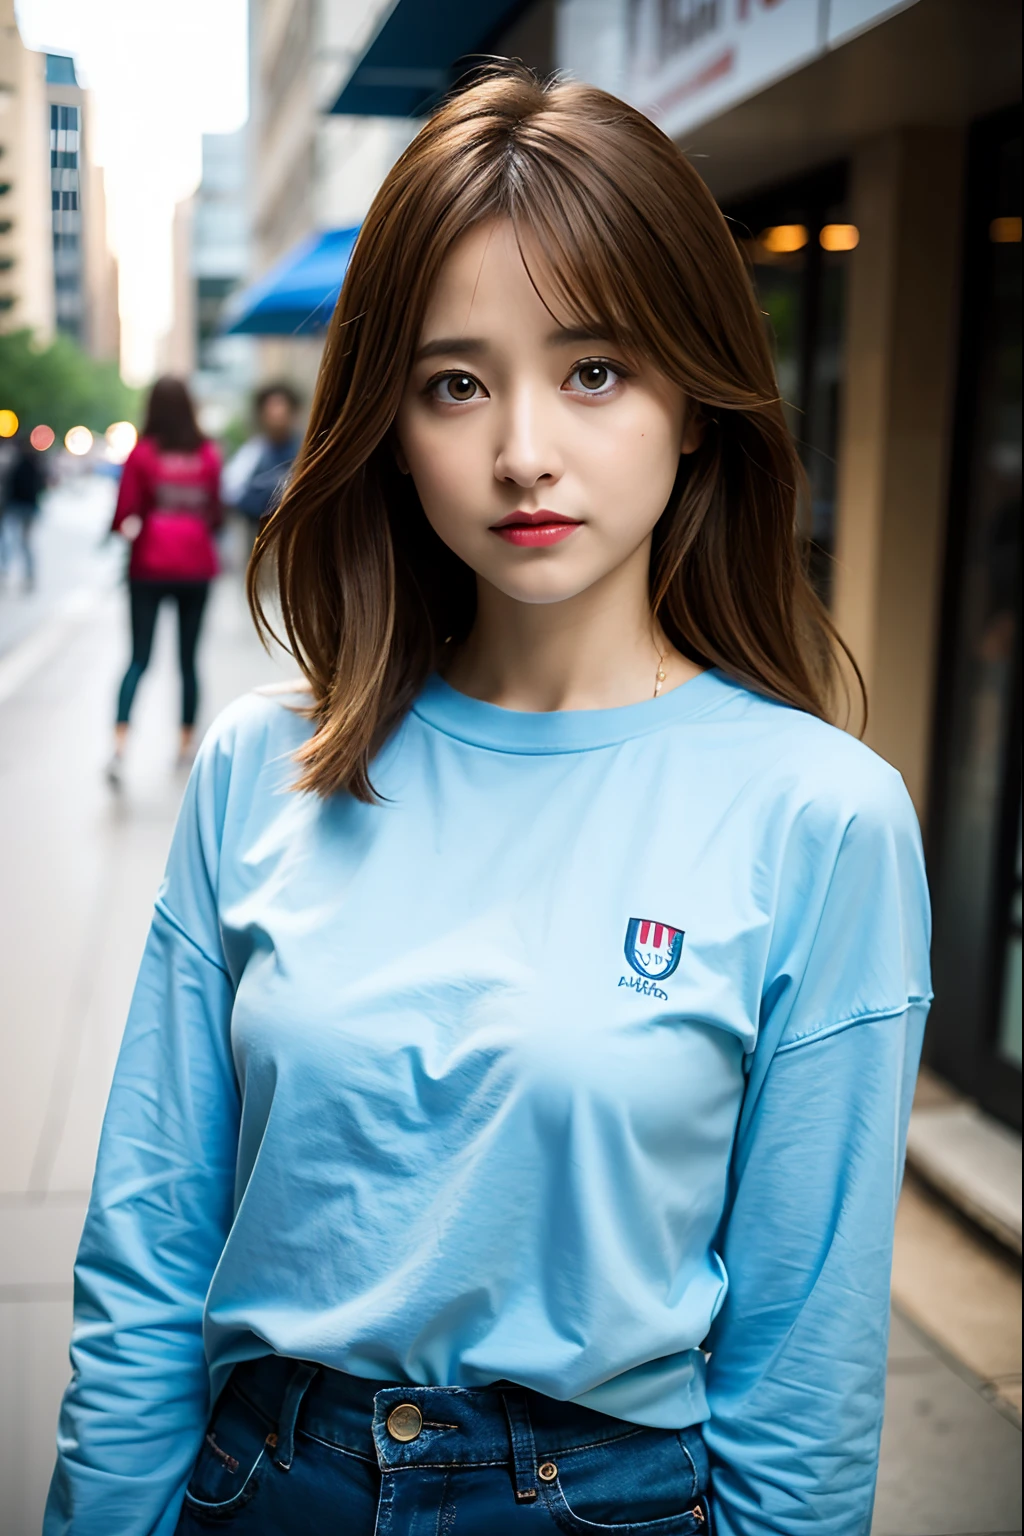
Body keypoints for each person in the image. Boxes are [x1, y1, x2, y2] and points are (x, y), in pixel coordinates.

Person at [46, 66, 931, 1536]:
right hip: (263, 1484)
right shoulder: (259, 775)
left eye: (595, 370)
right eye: (456, 382)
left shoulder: (821, 818)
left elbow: (804, 1375)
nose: (524, 449)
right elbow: (146, 1263)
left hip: (609, 1498)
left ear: (696, 404)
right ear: (391, 424)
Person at [106, 376, 221, 785]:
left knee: (139, 658)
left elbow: (124, 513)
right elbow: (216, 512)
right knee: (188, 662)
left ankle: (119, 748)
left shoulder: (142, 454)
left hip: (149, 566)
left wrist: (124, 530)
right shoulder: (207, 453)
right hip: (195, 565)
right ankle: (184, 747)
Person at [221, 382, 301, 550]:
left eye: (282, 408)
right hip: (260, 541)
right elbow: (233, 493)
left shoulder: (307, 451)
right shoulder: (251, 454)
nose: (277, 415)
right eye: (271, 409)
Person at [0, 432, 47, 590]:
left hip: (17, 507)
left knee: (9, 541)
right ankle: (25, 576)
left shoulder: (16, 461)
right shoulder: (36, 463)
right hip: (26, 507)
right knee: (19, 542)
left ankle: (7, 572)